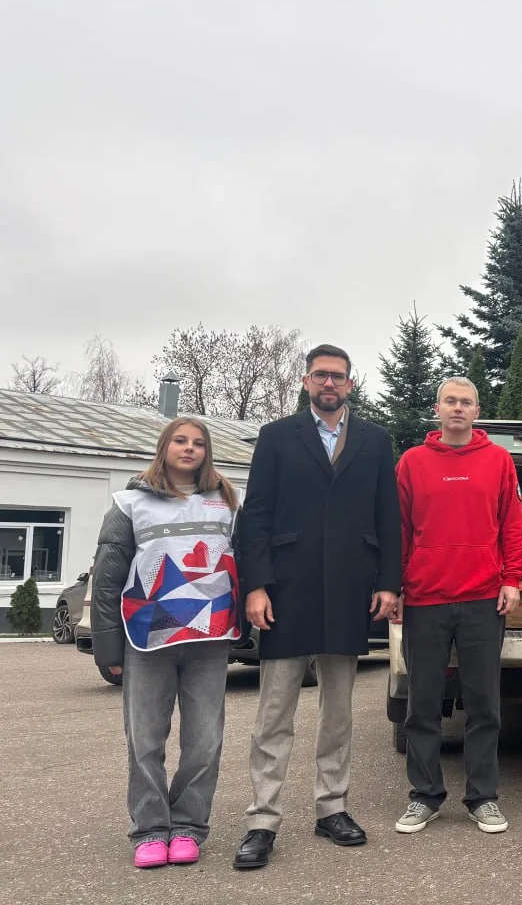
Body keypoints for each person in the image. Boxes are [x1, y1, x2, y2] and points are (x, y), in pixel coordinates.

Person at [232, 344, 401, 870]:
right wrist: (256, 586)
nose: (330, 383)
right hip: (287, 591)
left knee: (338, 712)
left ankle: (332, 808)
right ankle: (263, 819)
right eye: (321, 375)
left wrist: (389, 582)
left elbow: (388, 515)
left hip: (350, 588)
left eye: (339, 376)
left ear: (351, 384)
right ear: (306, 381)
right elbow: (256, 515)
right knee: (274, 712)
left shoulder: (375, 440)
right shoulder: (277, 437)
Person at [91, 417, 242, 869]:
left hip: (210, 638)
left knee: (205, 741)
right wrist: (107, 649)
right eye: (180, 440)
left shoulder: (229, 502)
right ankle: (150, 830)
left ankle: (189, 827)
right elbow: (107, 580)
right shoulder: (130, 503)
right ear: (164, 447)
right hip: (147, 638)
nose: (189, 448)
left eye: (198, 443)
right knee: (145, 740)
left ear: (207, 452)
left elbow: (247, 563)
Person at [391, 376, 522, 836]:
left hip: (483, 598)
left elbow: (512, 524)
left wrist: (512, 579)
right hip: (425, 597)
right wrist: (395, 586)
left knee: (484, 705)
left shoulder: (498, 460)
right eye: (450, 401)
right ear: (438, 408)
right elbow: (399, 528)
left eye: (466, 402)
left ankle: (483, 797)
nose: (458, 408)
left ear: (476, 411)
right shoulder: (412, 462)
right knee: (422, 705)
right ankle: (425, 796)